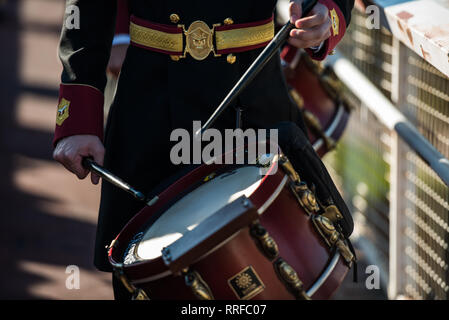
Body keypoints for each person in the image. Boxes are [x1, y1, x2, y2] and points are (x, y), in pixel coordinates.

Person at [53, 0, 354, 299]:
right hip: (150, 113)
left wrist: (326, 10)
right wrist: (77, 116)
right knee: (150, 284)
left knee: (280, 278)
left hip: (254, 98)